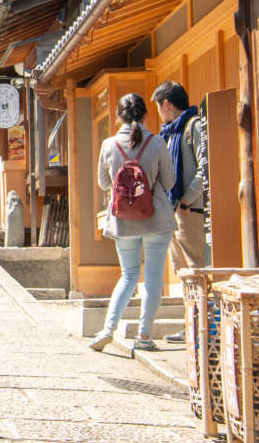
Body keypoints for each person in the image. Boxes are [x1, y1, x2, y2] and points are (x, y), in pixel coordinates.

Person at [88, 93, 176, 353]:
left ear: (118, 117)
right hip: (156, 218)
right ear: (146, 115)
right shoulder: (157, 142)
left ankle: (107, 329)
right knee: (152, 280)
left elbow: (103, 184)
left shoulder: (109, 144)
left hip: (123, 221)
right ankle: (145, 336)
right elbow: (169, 183)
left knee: (128, 276)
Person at [152, 80, 208, 344]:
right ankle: (191, 325)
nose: (159, 114)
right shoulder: (168, 133)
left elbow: (205, 168)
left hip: (189, 210)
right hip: (171, 210)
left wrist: (187, 199)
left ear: (166, 104)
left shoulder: (193, 126)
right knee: (182, 271)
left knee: (196, 270)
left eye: (159, 107)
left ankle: (203, 327)